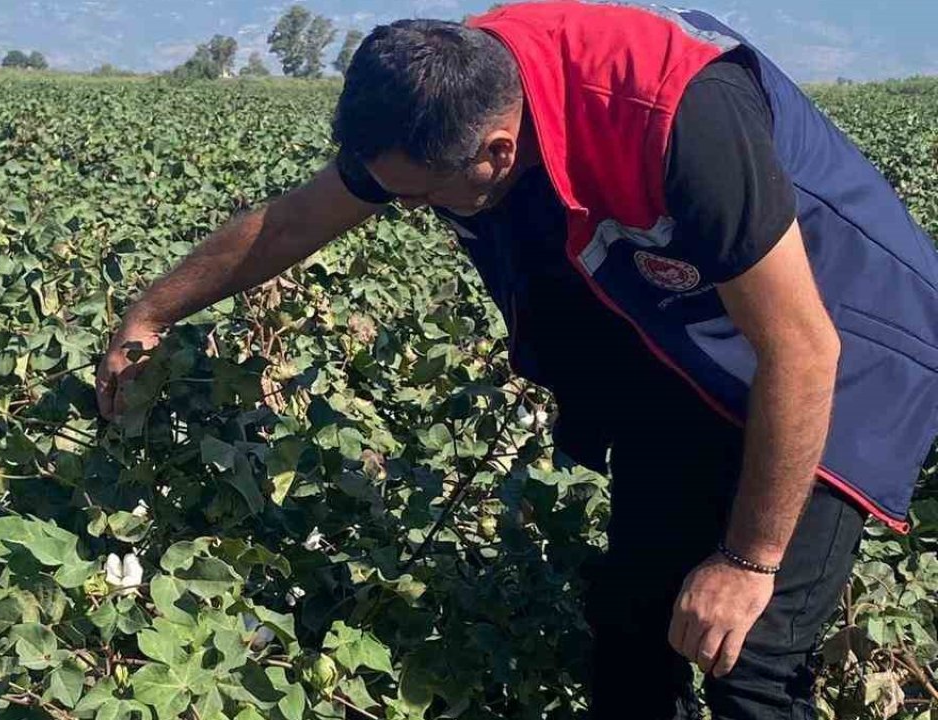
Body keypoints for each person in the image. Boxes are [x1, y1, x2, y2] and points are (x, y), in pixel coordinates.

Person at [96, 2, 938, 716]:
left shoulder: (676, 116)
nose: (411, 210)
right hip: (687, 326)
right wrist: (151, 311)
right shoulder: (438, 96)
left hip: (848, 343)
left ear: (497, 152)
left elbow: (803, 350)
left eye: (423, 198)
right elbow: (289, 224)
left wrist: (747, 562)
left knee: (745, 649)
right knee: (634, 614)